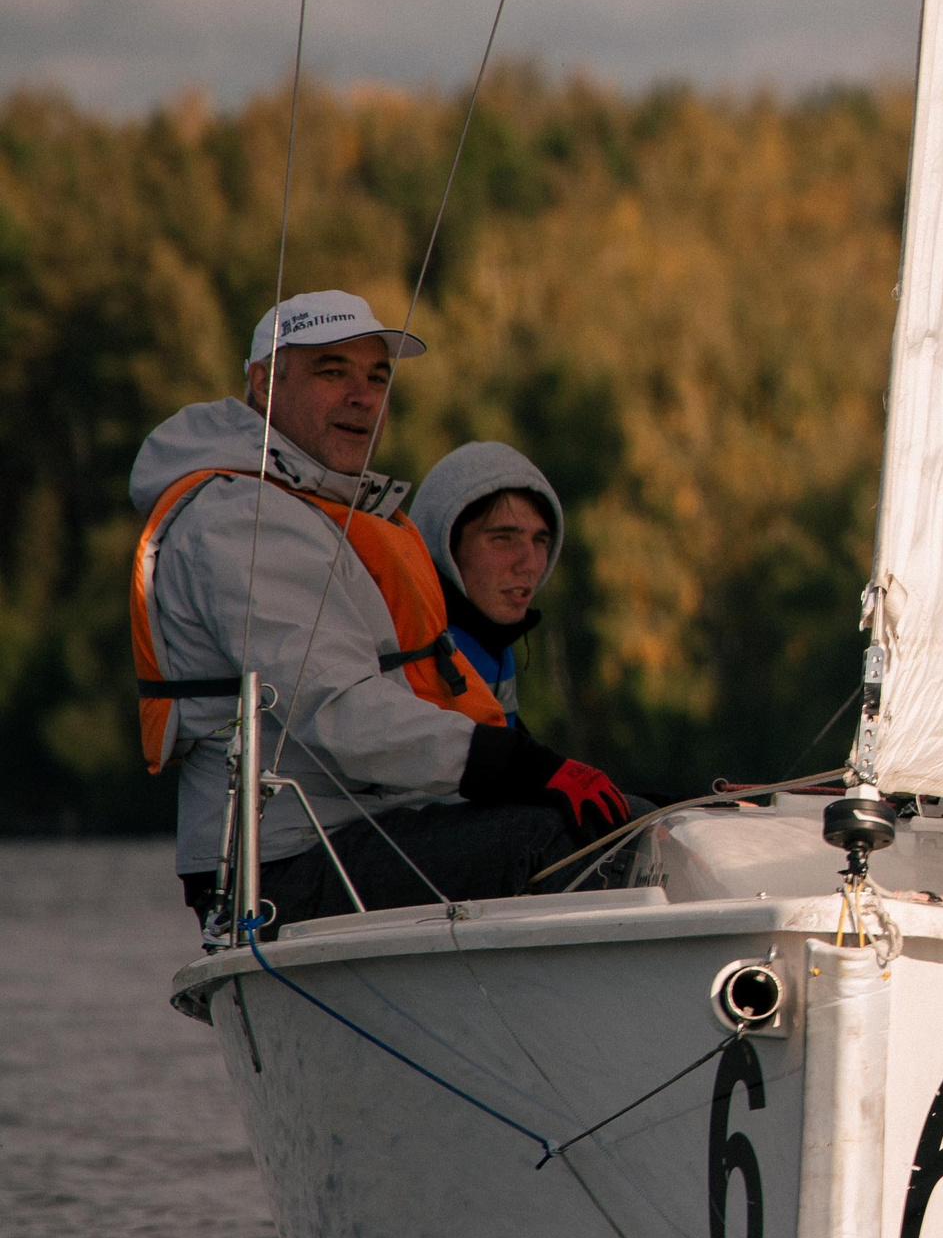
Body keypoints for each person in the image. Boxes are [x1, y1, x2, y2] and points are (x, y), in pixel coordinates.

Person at [128, 290, 632, 934]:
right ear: (263, 383)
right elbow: (343, 714)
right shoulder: (240, 520)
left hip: (369, 832)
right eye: (332, 372)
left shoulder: (318, 509)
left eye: (377, 377)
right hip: (281, 866)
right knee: (563, 839)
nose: (362, 396)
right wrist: (525, 768)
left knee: (639, 822)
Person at [411, 442, 565, 728]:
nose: (529, 563)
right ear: (445, 546)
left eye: (540, 540)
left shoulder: (490, 644)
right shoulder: (403, 661)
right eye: (503, 538)